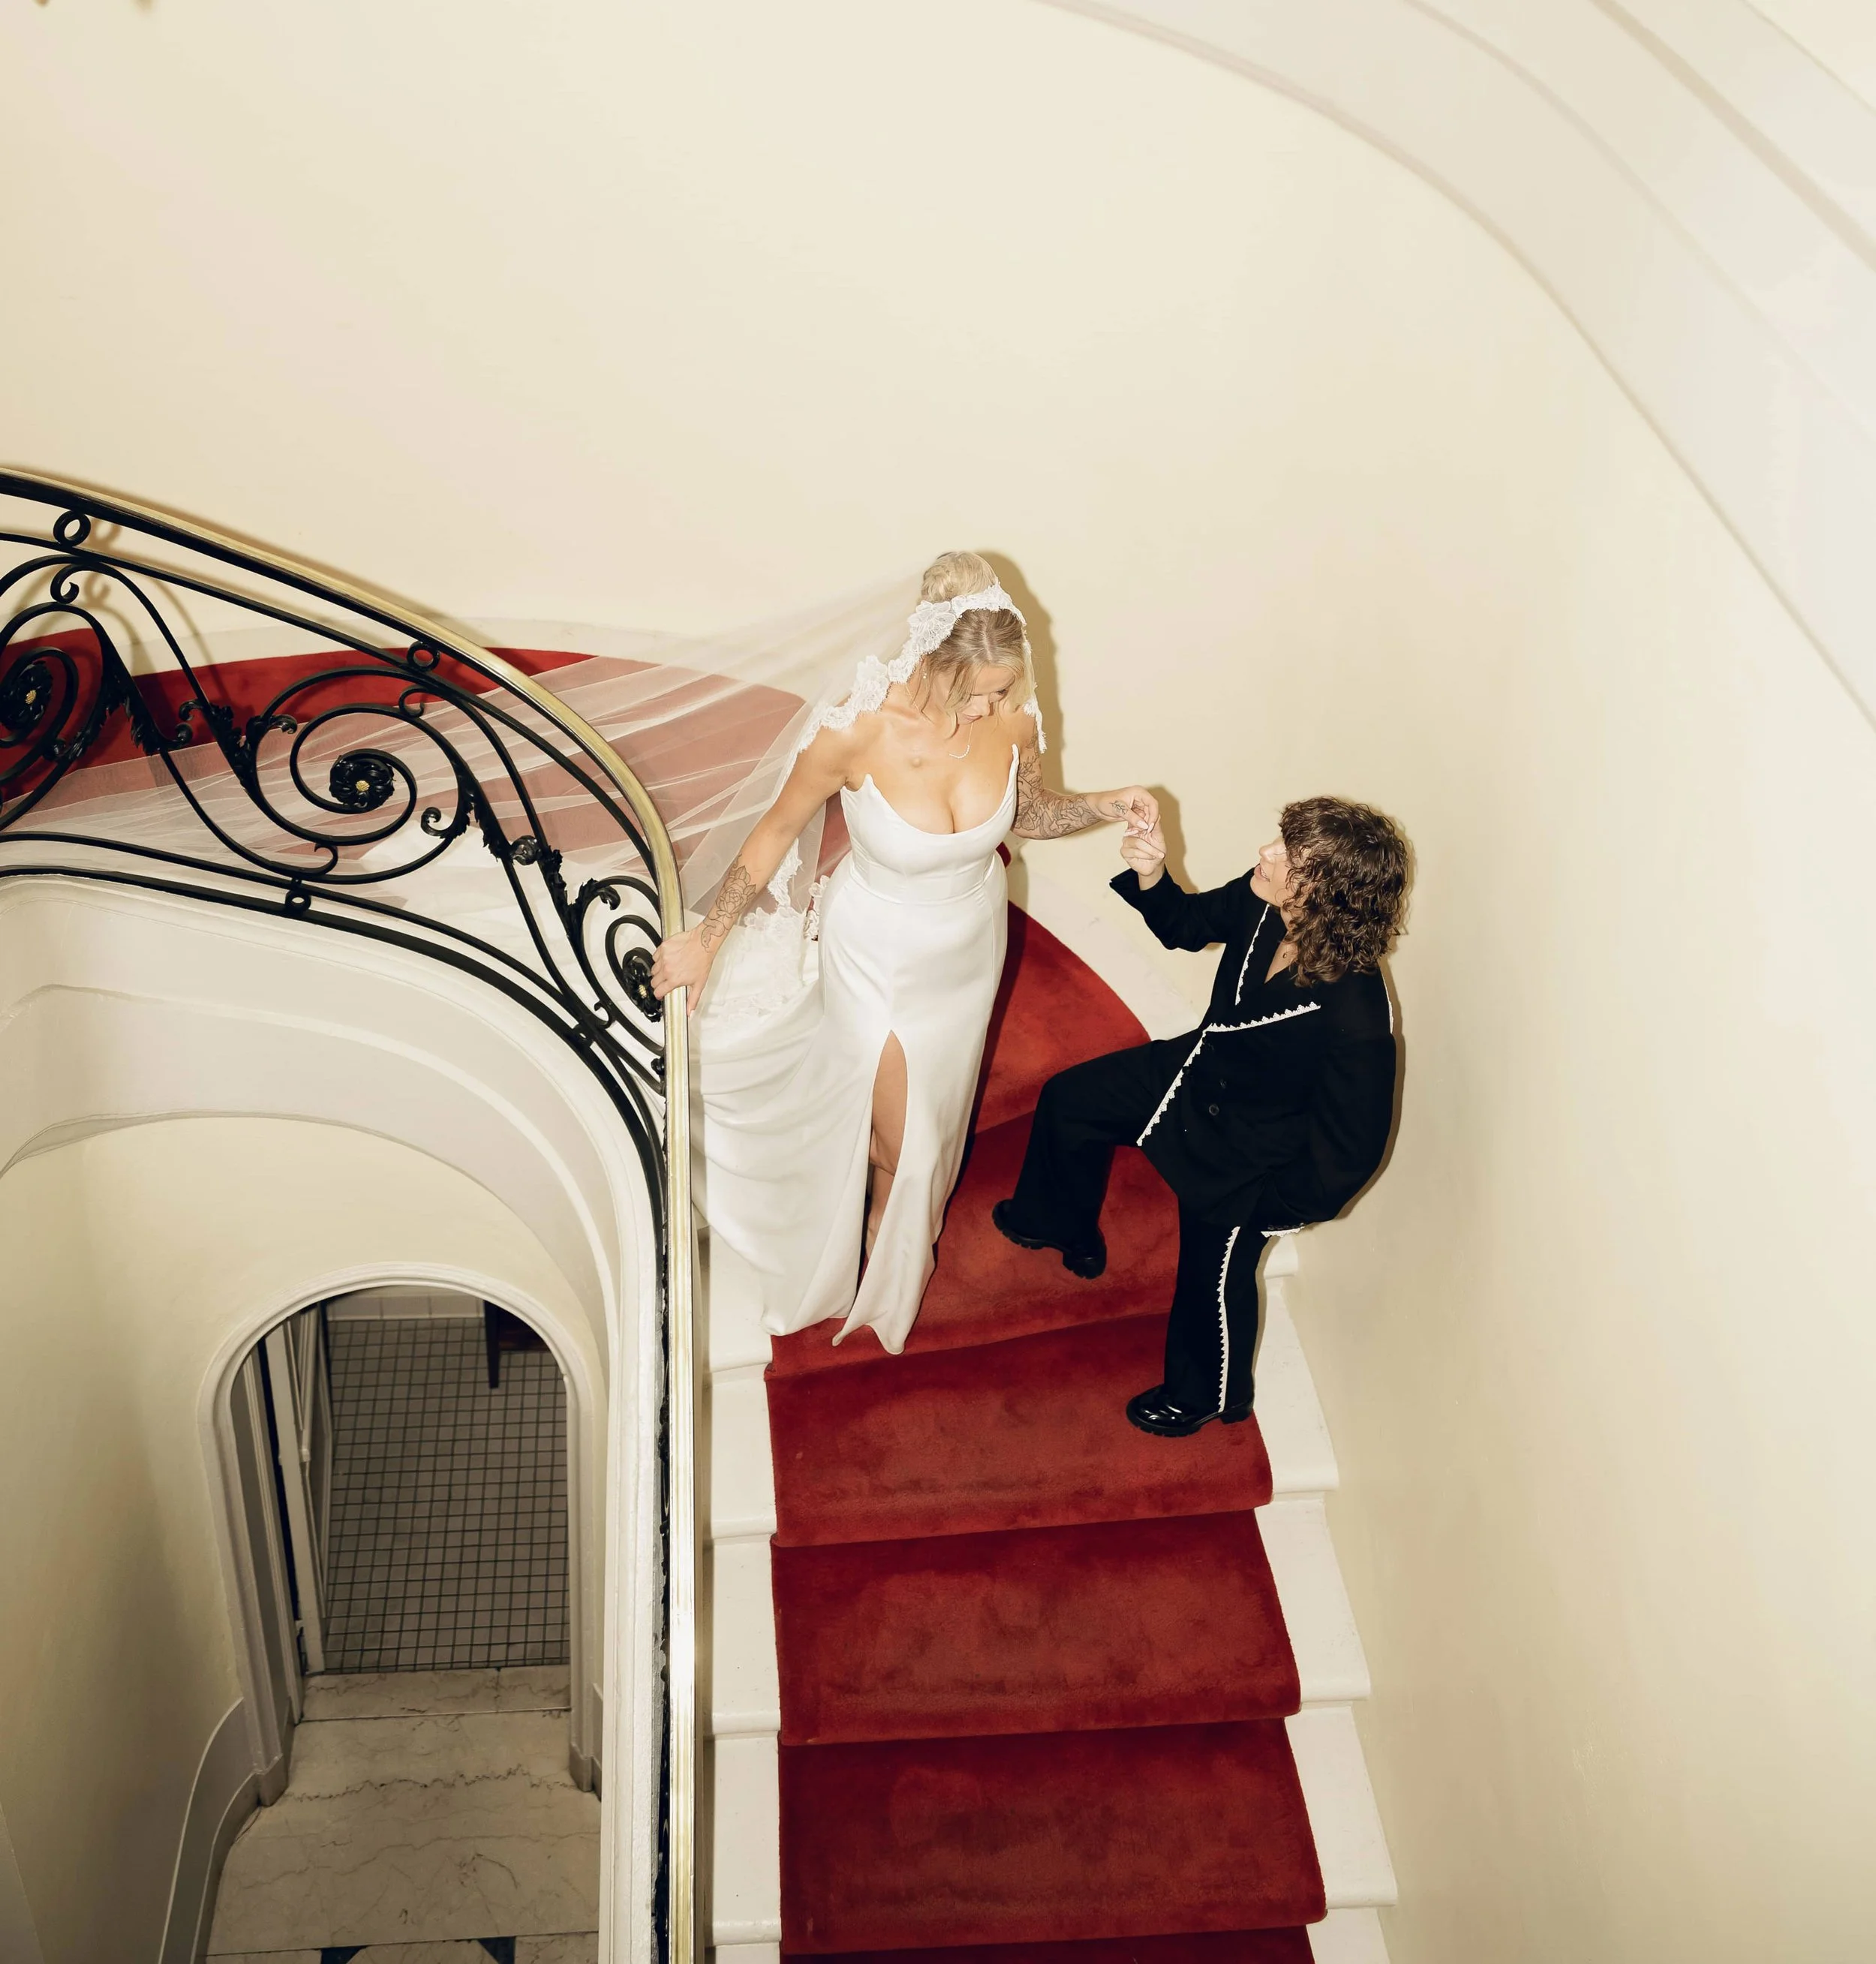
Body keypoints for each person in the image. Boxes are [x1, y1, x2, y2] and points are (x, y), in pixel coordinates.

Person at [650, 552, 1157, 1355]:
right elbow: (775, 831)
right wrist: (709, 942)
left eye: (1003, 690)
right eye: (977, 691)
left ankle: (887, 1266)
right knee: (908, 1143)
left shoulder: (1012, 720)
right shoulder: (856, 732)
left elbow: (1028, 814)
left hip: (969, 945)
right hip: (878, 953)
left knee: (936, 1118)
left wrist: (1102, 804)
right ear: (932, 662)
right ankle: (859, 1246)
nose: (995, 706)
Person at [993, 796, 1409, 1434]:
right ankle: (1061, 1221)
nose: (1266, 854)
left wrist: (1270, 1209)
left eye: (1288, 856)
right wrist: (1154, 874)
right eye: (1279, 841)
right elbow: (1185, 924)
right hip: (1190, 1073)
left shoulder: (1358, 1014)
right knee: (1068, 1101)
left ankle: (1206, 1396)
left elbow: (1349, 1153)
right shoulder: (1264, 899)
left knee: (1211, 1284)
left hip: (1248, 1155)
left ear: (1327, 893)